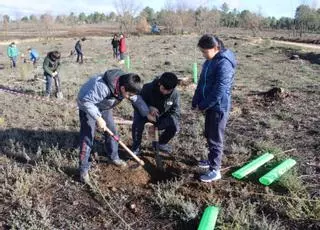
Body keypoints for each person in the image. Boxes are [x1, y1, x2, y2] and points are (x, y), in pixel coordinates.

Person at [77, 69, 153, 184]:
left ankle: (113, 158)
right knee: (87, 137)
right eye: (129, 95)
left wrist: (147, 113)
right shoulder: (102, 88)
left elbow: (136, 98)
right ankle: (83, 171)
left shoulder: (127, 83)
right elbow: (87, 101)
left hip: (103, 106)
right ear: (122, 89)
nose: (129, 97)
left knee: (112, 133)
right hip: (87, 104)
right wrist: (98, 118)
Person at [192, 34, 237, 183]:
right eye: (202, 52)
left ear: (216, 48)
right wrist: (196, 99)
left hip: (218, 107)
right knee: (209, 134)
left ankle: (215, 170)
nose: (204, 55)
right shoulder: (209, 61)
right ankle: (211, 160)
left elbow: (220, 90)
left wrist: (204, 105)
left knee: (215, 138)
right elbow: (202, 82)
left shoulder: (224, 64)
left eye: (205, 51)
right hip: (209, 105)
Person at [132, 72, 180, 156]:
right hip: (144, 113)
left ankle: (160, 144)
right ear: (159, 83)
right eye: (163, 89)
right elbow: (137, 102)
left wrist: (162, 123)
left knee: (174, 126)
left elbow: (175, 112)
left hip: (160, 116)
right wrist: (149, 108)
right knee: (137, 125)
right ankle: (136, 147)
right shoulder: (148, 88)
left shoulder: (175, 95)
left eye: (168, 91)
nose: (165, 92)